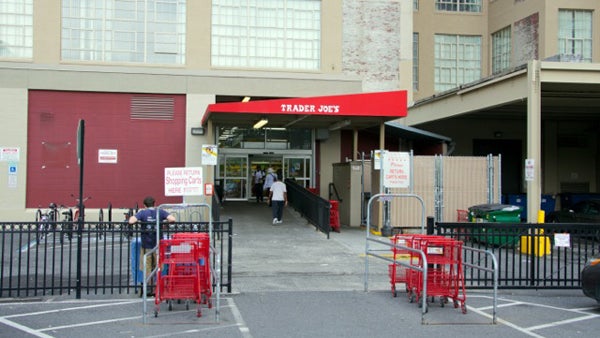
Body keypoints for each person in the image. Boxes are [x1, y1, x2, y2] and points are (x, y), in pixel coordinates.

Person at [128, 196, 176, 296]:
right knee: (158, 266)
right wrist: (163, 223)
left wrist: (139, 220)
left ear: (144, 205)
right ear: (154, 203)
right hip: (158, 245)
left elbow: (131, 221)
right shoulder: (160, 211)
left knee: (147, 267)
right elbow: (172, 219)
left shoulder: (142, 213)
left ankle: (148, 288)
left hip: (146, 245)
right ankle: (156, 288)